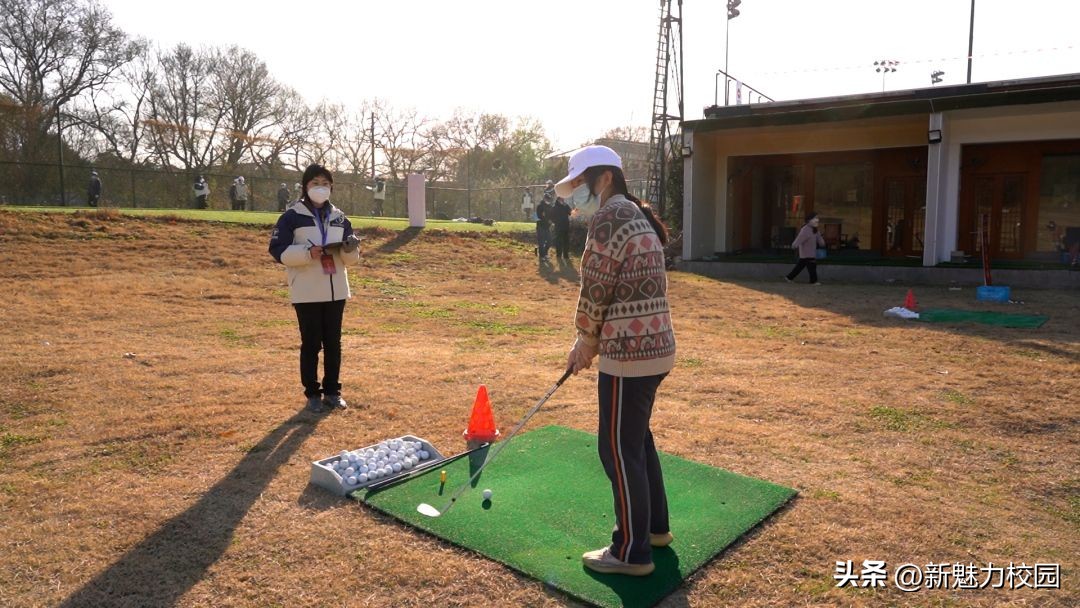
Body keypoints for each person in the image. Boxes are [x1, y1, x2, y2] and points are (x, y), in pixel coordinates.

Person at [554, 145, 676, 577]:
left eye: (579, 184)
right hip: (656, 348)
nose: (576, 196)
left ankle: (630, 551)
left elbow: (596, 287)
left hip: (630, 354)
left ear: (603, 178)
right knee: (637, 441)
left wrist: (584, 341)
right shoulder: (634, 212)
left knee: (618, 449)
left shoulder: (610, 217)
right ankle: (655, 530)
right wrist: (589, 341)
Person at [268, 164, 362, 413]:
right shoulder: (291, 216)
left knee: (334, 342)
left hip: (336, 289)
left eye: (324, 182)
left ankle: (333, 391)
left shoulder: (341, 218)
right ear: (305, 186)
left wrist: (351, 249)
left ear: (331, 186)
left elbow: (351, 259)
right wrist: (307, 253)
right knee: (311, 343)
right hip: (306, 291)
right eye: (314, 183)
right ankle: (312, 393)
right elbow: (277, 251)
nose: (320, 187)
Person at [786, 212, 826, 284]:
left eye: (817, 218)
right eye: (815, 218)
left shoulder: (815, 229)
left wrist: (822, 243)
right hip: (806, 252)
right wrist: (794, 245)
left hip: (810, 252)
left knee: (800, 267)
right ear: (809, 220)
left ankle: (789, 277)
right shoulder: (805, 229)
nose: (817, 220)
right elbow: (799, 238)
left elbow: (819, 238)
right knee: (812, 267)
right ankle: (813, 281)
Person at [550, 196, 572, 260]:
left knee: (566, 241)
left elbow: (570, 213)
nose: (563, 200)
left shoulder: (566, 206)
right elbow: (551, 216)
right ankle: (559, 255)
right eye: (561, 199)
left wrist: (574, 211)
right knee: (558, 241)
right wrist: (555, 222)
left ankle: (566, 255)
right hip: (558, 227)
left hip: (566, 226)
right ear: (558, 199)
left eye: (563, 199)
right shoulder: (554, 207)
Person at [535, 192, 553, 262]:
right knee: (541, 242)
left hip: (547, 227)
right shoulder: (540, 206)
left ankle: (545, 253)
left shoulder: (550, 206)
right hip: (540, 226)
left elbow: (551, 215)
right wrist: (547, 220)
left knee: (549, 241)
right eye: (547, 198)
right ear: (544, 198)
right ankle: (542, 256)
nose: (548, 200)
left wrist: (551, 220)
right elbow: (540, 216)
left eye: (549, 199)